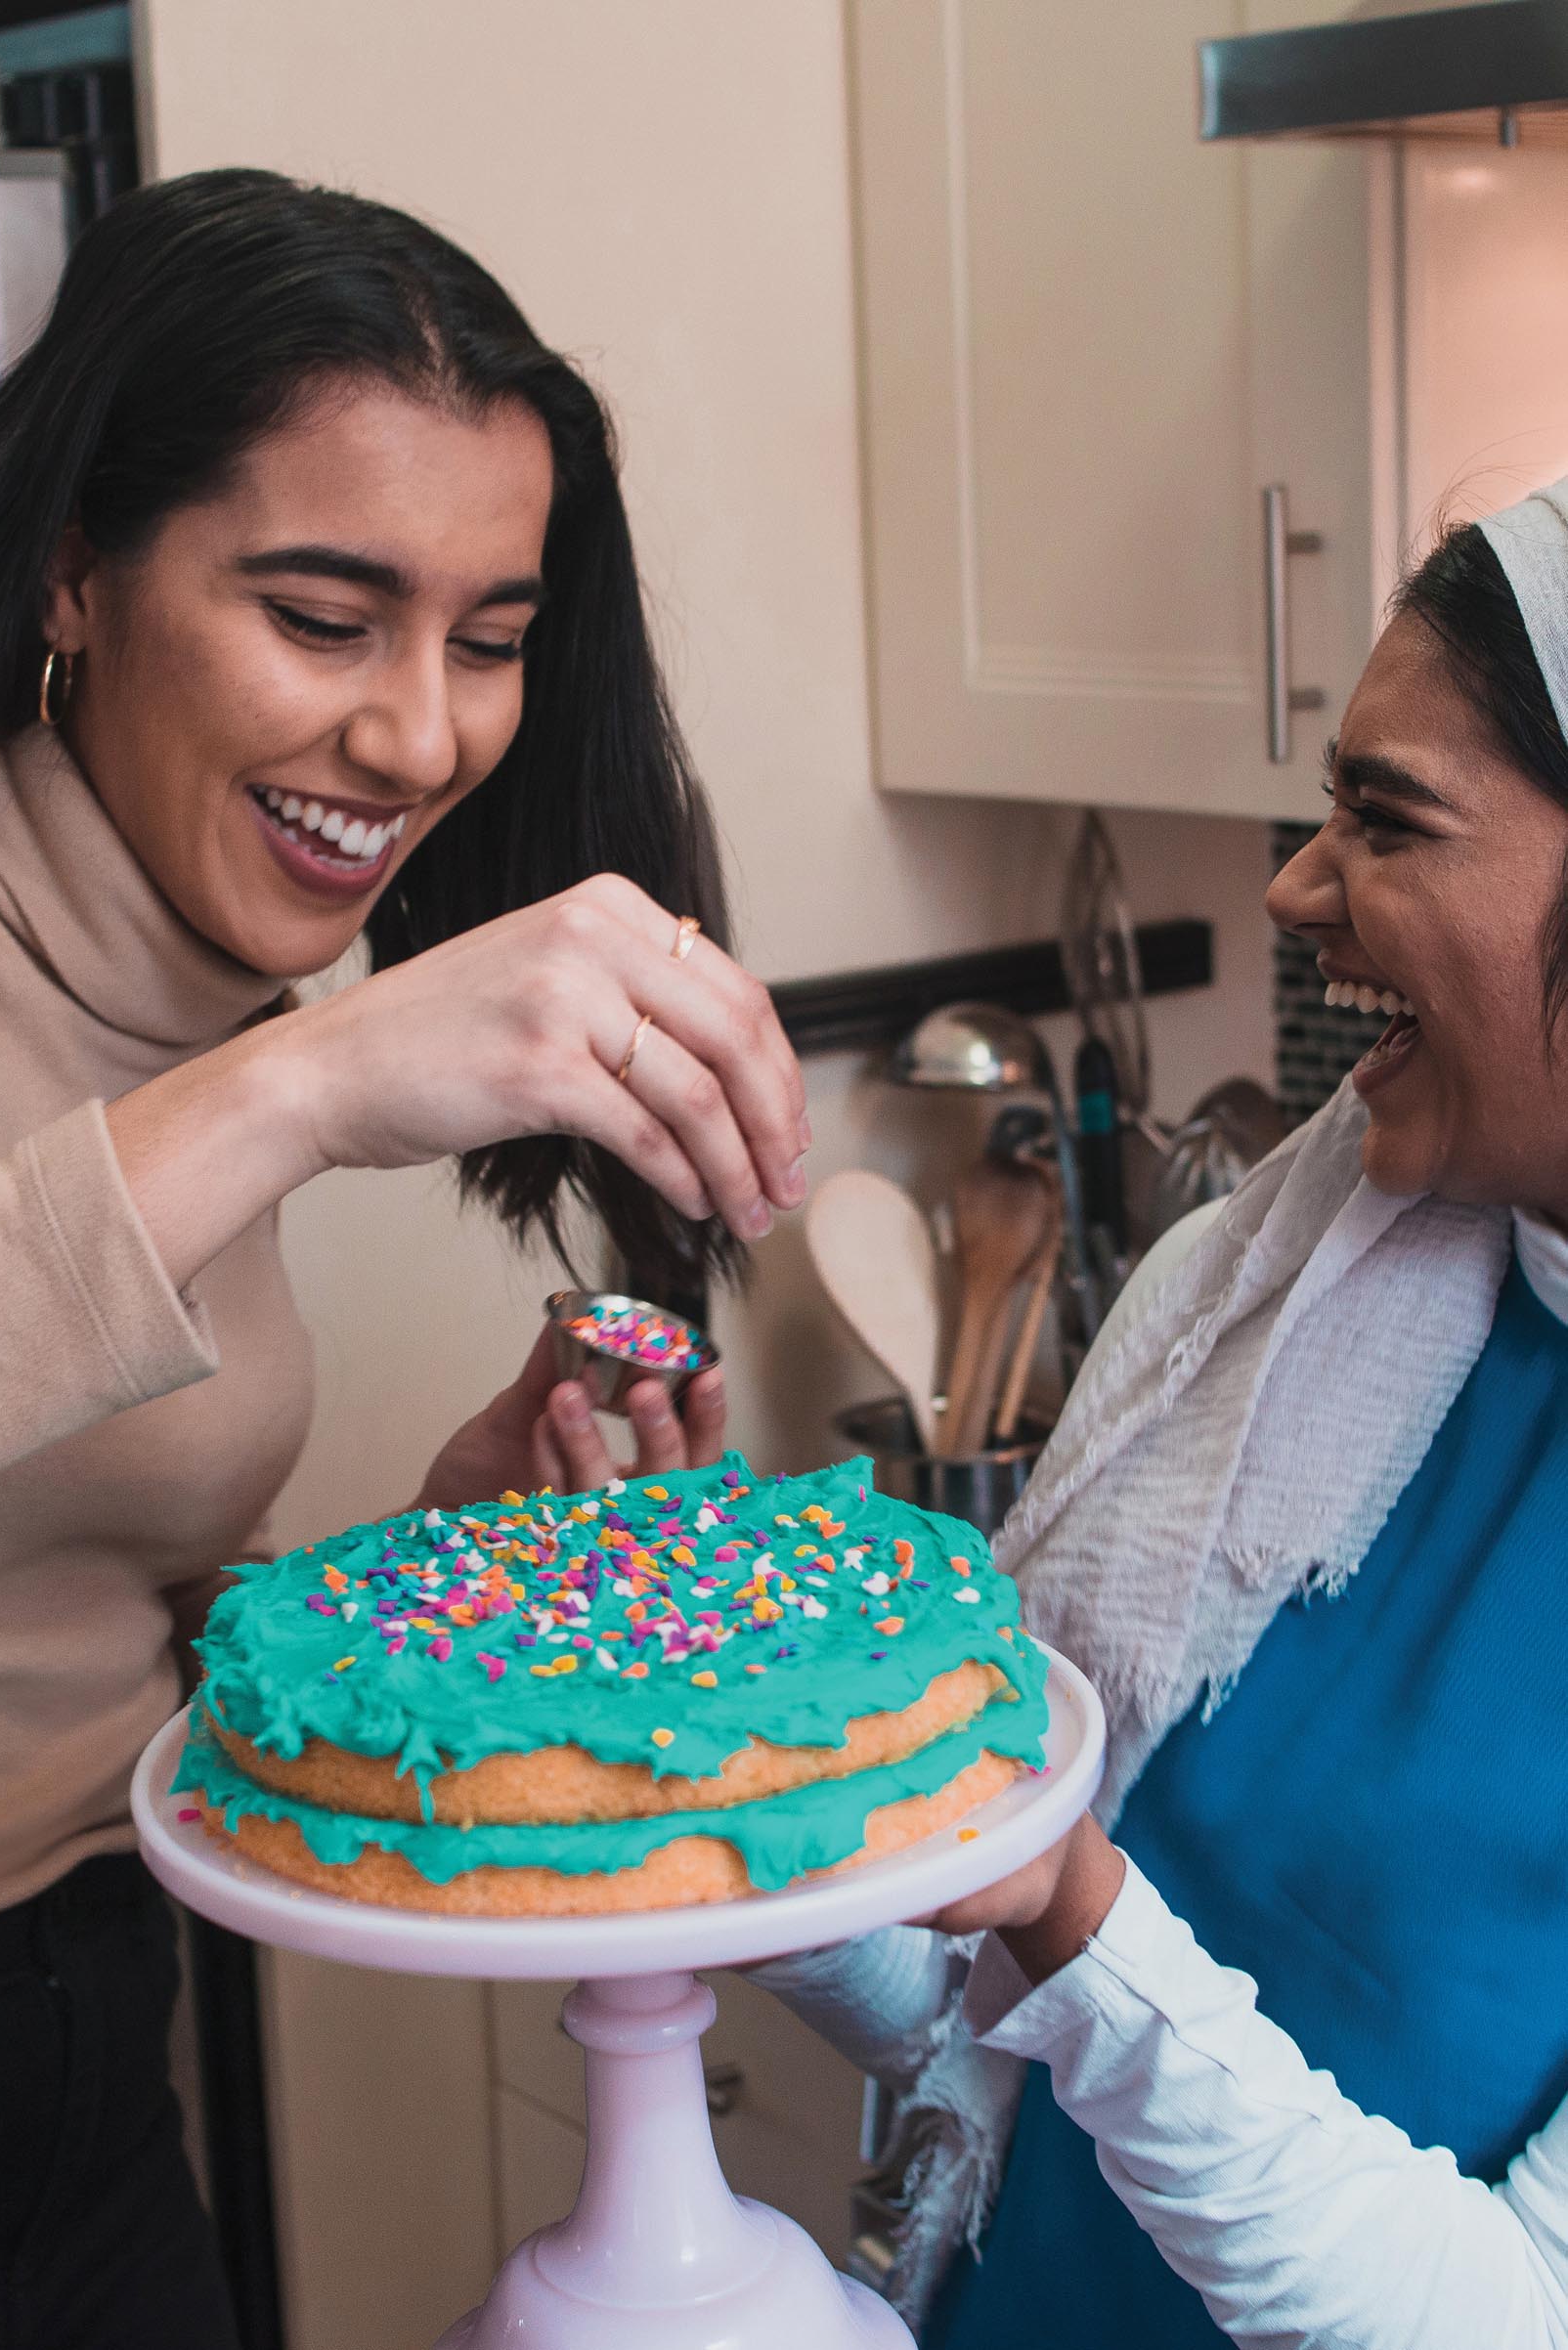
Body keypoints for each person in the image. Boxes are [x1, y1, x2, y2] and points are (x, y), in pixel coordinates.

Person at [0, 168, 806, 2350]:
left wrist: (439, 1554)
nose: (419, 736)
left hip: (74, 2072)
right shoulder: (213, 1040)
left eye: (488, 641)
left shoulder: (186, 976)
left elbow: (42, 1599)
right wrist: (312, 1086)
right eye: (323, 620)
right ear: (74, 572)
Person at [754, 485, 1568, 2346]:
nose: (1294, 889)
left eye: (1382, 819)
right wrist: (723, 1702)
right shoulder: (1267, 1300)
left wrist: (1065, 1914)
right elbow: (967, 1979)